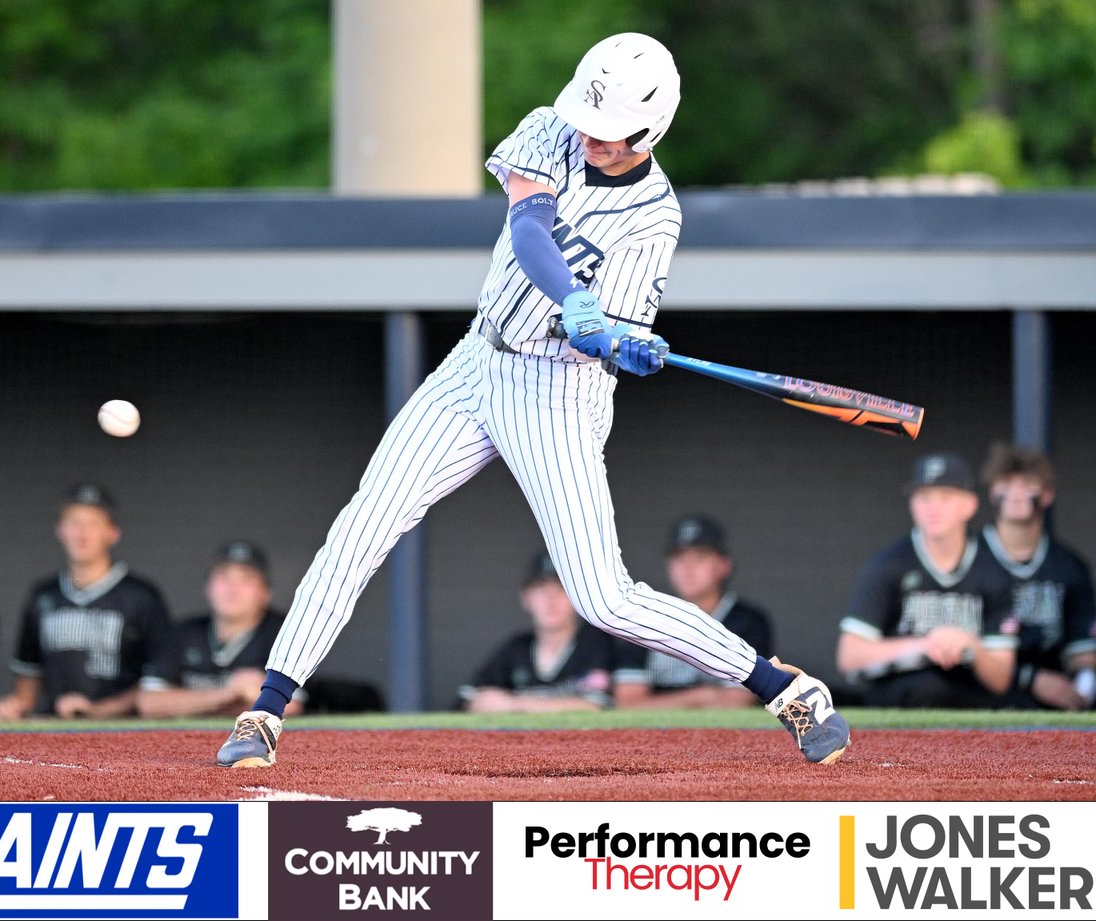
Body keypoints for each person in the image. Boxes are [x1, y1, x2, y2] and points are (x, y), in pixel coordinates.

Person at [217, 32, 849, 769]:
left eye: (608, 132)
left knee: (603, 597)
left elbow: (599, 337)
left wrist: (620, 342)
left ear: (649, 131)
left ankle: (785, 688)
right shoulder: (552, 126)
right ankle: (266, 708)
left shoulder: (655, 215)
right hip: (478, 358)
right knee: (365, 521)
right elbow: (527, 227)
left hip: (558, 389)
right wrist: (577, 298)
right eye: (588, 118)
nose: (589, 136)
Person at [836, 453, 1018, 707]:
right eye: (924, 498)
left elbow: (1001, 680)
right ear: (912, 504)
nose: (933, 508)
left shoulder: (994, 571)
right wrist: (924, 645)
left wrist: (970, 645)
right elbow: (849, 657)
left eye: (945, 497)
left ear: (969, 505)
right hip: (902, 690)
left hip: (967, 691)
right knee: (925, 688)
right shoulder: (888, 564)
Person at [0, 483, 171, 719]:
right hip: (54, 729)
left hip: (125, 732)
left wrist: (99, 710)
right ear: (60, 530)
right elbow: (29, 675)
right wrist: (16, 707)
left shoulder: (141, 595)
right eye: (74, 522)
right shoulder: (43, 595)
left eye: (93, 523)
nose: (82, 532)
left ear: (113, 533)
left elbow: (156, 685)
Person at [978, 444, 1096, 710]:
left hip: (1052, 691)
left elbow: (1084, 651)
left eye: (1028, 484)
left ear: (1046, 495)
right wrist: (1029, 678)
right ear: (992, 492)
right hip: (982, 689)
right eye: (1007, 483)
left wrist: (1083, 690)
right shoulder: (970, 556)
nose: (1017, 493)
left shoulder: (1068, 566)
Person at [616, 516, 773, 709]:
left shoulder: (748, 621)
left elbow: (736, 702)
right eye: (679, 558)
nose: (687, 569)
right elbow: (628, 704)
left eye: (700, 557)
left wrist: (664, 703)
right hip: (654, 736)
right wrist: (701, 697)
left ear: (724, 566)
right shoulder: (644, 616)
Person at [138, 541, 303, 718]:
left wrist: (188, 704)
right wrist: (229, 694)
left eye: (246, 579)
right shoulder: (184, 633)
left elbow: (292, 706)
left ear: (266, 593)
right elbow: (148, 703)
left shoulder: (286, 633)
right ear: (208, 587)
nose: (232, 589)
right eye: (224, 577)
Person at [459, 551, 637, 712]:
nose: (550, 600)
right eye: (541, 589)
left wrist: (514, 703)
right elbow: (467, 699)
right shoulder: (516, 648)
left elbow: (596, 706)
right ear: (526, 598)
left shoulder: (598, 642)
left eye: (561, 589)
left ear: (580, 598)